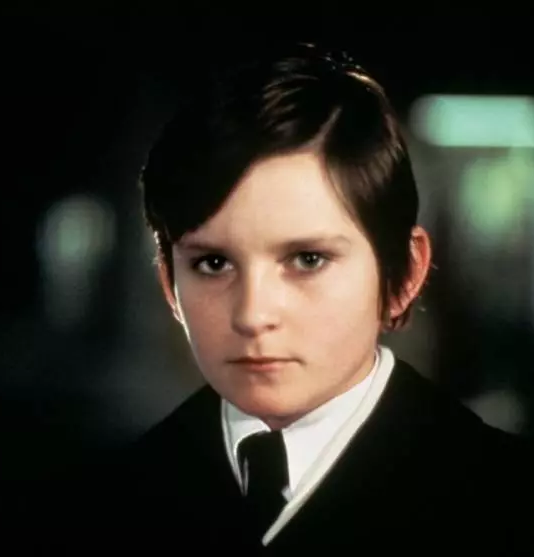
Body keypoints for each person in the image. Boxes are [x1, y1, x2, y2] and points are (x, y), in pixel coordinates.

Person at [68, 43, 534, 554]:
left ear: (404, 274)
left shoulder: (502, 500)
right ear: (169, 285)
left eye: (308, 259)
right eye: (213, 264)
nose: (253, 314)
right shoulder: (107, 509)